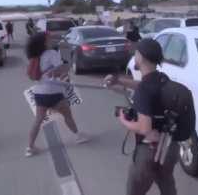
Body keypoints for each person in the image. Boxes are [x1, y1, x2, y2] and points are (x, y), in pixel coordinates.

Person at [103, 39, 179, 195]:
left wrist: (123, 120)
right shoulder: (162, 78)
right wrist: (119, 81)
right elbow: (143, 86)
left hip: (149, 152)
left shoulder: (145, 89)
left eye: (136, 52)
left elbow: (144, 127)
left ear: (141, 57)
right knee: (167, 185)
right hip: (169, 148)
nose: (134, 55)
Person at [25, 32, 89, 157]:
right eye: (49, 39)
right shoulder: (52, 54)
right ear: (44, 42)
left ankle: (30, 147)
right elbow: (61, 71)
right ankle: (78, 136)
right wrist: (66, 66)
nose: (51, 40)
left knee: (38, 120)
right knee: (67, 115)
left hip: (39, 92)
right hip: (54, 91)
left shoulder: (35, 56)